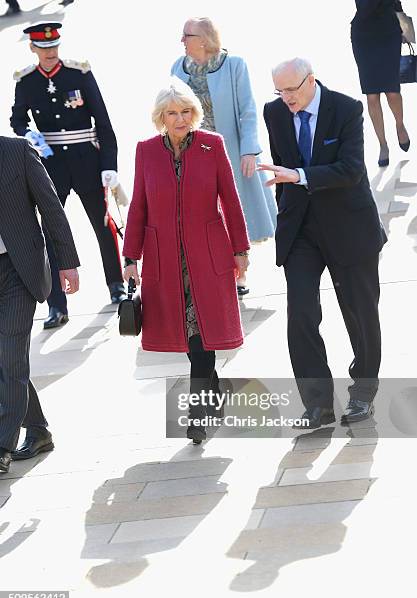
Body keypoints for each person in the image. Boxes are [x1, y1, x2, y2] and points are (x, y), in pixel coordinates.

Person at [260, 57, 387, 429]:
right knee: (300, 311)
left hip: (349, 225)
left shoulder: (346, 109)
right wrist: (290, 191)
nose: (286, 98)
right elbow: (282, 163)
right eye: (279, 91)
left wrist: (299, 175)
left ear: (310, 81)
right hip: (301, 229)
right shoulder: (275, 112)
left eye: (291, 90)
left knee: (360, 314)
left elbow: (351, 169)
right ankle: (317, 404)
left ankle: (363, 393)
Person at [122, 78, 250, 444]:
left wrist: (240, 249)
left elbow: (230, 197)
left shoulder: (212, 145)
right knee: (193, 337)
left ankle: (198, 414)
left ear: (195, 114)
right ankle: (213, 393)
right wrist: (131, 256)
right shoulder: (146, 151)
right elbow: (139, 206)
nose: (180, 119)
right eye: (172, 113)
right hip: (166, 259)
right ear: (160, 117)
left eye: (186, 112)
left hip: (208, 257)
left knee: (202, 336)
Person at [10, 21, 125, 330]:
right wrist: (32, 136)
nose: (49, 53)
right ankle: (56, 305)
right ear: (33, 48)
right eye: (43, 48)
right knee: (50, 233)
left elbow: (103, 120)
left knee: (104, 226)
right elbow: (17, 120)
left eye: (53, 47)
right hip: (50, 165)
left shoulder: (79, 73)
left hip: (86, 158)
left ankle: (116, 285)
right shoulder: (26, 81)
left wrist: (109, 164)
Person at [172, 17, 276, 297]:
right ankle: (219, 272)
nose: (182, 40)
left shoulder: (233, 65)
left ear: (204, 39)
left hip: (230, 153)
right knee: (207, 215)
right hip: (194, 156)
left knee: (235, 212)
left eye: (187, 35)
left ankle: (240, 273)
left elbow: (247, 110)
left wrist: (249, 150)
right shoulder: (177, 69)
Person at [0, 135, 80, 474]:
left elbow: (50, 207)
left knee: (9, 355)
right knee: (6, 359)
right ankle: (38, 429)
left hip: (18, 271)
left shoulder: (17, 151)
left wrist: (67, 262)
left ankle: (2, 445)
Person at [351, 0, 410, 166]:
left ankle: (400, 125)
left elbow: (396, 3)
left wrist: (405, 28)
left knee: (392, 91)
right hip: (364, 37)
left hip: (389, 34)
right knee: (372, 96)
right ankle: (383, 145)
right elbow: (365, 8)